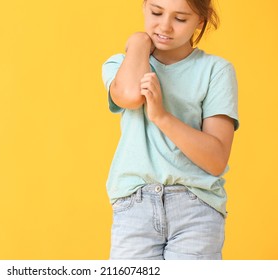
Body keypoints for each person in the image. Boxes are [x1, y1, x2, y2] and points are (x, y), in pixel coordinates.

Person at [101, 0, 239, 260]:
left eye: (180, 18)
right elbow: (130, 96)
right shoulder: (120, 64)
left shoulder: (215, 71)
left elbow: (217, 159)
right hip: (134, 206)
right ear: (143, 8)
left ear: (200, 21)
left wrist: (162, 116)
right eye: (156, 12)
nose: (164, 26)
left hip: (196, 207)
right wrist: (139, 41)